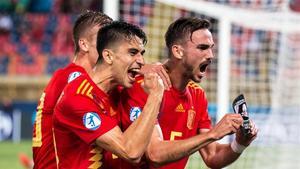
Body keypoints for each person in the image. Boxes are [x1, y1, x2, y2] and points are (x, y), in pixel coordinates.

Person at [107, 17, 258, 169]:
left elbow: (212, 156)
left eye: (211, 48)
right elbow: (154, 154)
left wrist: (239, 144)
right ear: (178, 51)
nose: (211, 55)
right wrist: (213, 134)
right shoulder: (144, 86)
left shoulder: (197, 95)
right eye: (202, 48)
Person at [52, 21, 165, 169]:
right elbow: (131, 152)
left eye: (141, 54)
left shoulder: (118, 92)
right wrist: (155, 96)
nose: (141, 61)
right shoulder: (77, 97)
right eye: (132, 53)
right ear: (108, 56)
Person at [32, 10, 113, 169]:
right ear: (84, 44)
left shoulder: (66, 76)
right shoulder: (75, 79)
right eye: (103, 40)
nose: (109, 47)